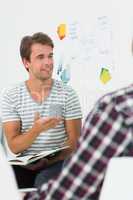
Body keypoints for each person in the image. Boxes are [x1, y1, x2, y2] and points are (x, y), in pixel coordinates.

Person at [24, 84, 133, 200]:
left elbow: (73, 143)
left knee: (43, 177)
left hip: (70, 159)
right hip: (65, 158)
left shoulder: (116, 108)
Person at [1, 32, 82, 188]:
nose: (48, 62)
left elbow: (74, 142)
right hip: (24, 164)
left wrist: (50, 160)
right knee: (5, 182)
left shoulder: (67, 93)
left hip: (59, 162)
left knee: (43, 182)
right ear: (26, 62)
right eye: (40, 57)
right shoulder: (11, 96)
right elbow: (14, 146)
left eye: (50, 56)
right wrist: (36, 130)